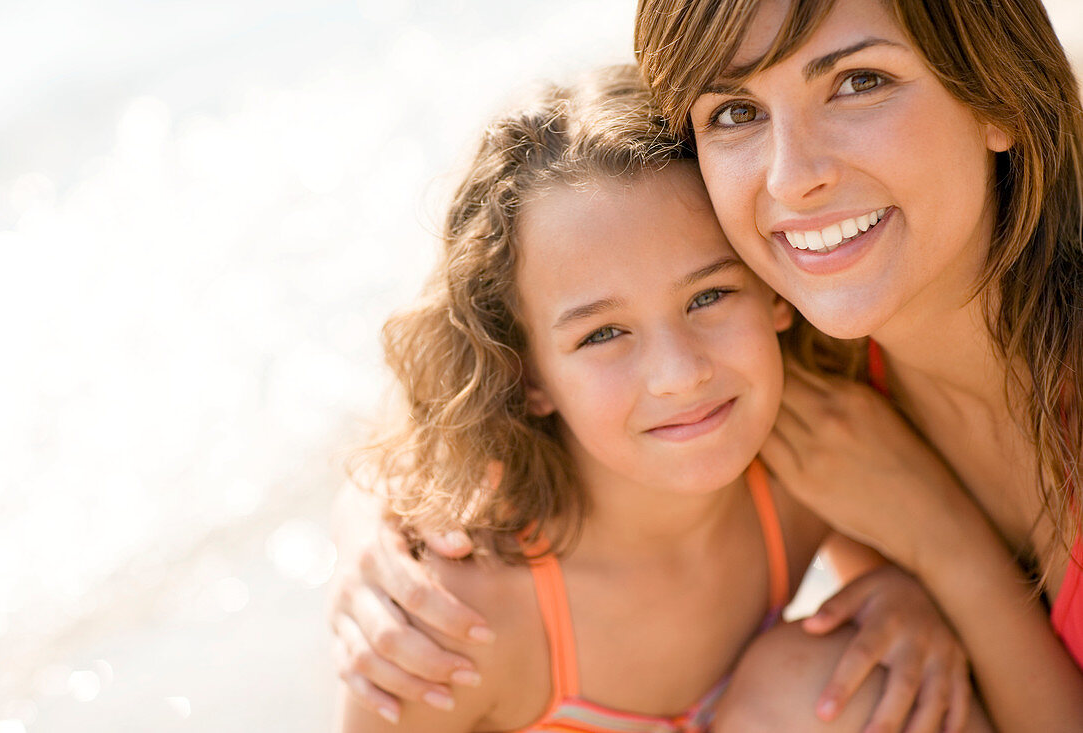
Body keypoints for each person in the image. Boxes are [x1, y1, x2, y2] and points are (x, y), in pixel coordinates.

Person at [332, 0, 1083, 731]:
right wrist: (378, 532)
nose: (791, 179)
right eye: (734, 112)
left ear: (1001, 96)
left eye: (861, 81)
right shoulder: (814, 368)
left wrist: (934, 553)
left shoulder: (811, 386)